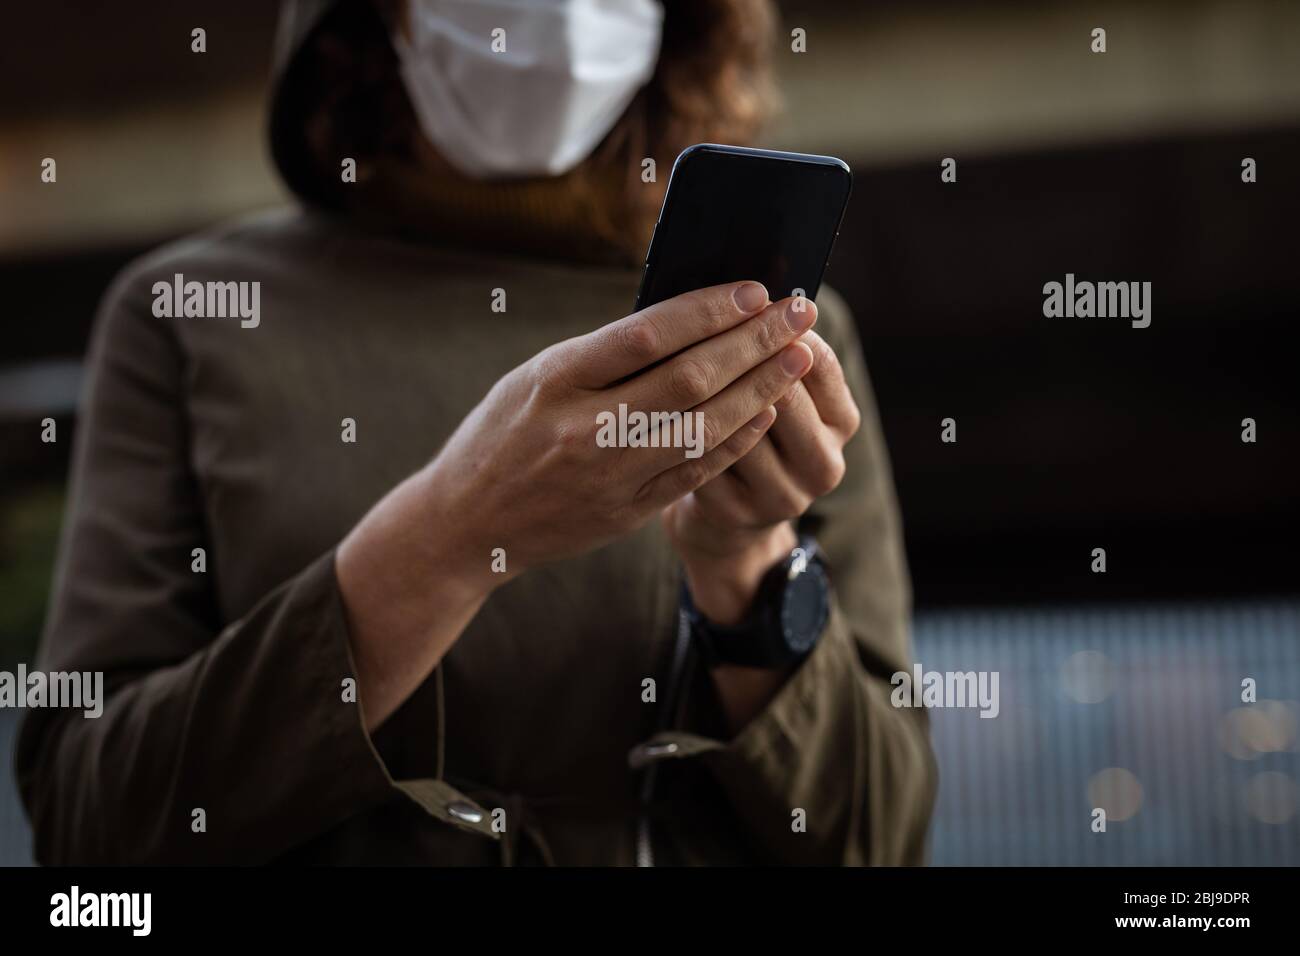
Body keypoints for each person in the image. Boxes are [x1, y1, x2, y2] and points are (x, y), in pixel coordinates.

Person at [17, 0, 936, 865]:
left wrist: (746, 568)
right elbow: (89, 826)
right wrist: (450, 536)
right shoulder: (191, 318)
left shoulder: (776, 329)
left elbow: (877, 838)